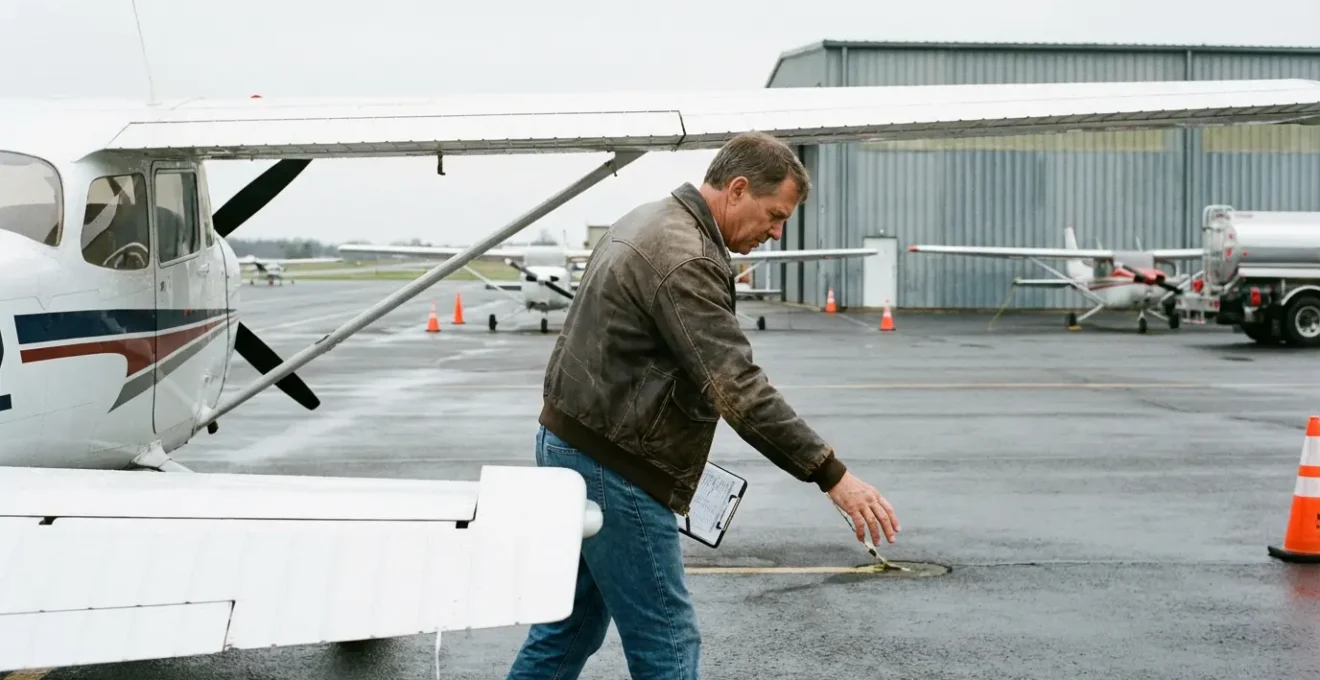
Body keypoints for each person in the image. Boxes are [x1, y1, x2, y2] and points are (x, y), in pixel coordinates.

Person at [504, 131, 900, 680]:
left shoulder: (649, 218)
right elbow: (738, 388)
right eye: (774, 215)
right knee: (667, 641)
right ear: (737, 189)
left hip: (575, 442)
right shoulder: (686, 257)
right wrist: (832, 475)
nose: (776, 233)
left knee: (571, 628)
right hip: (615, 465)